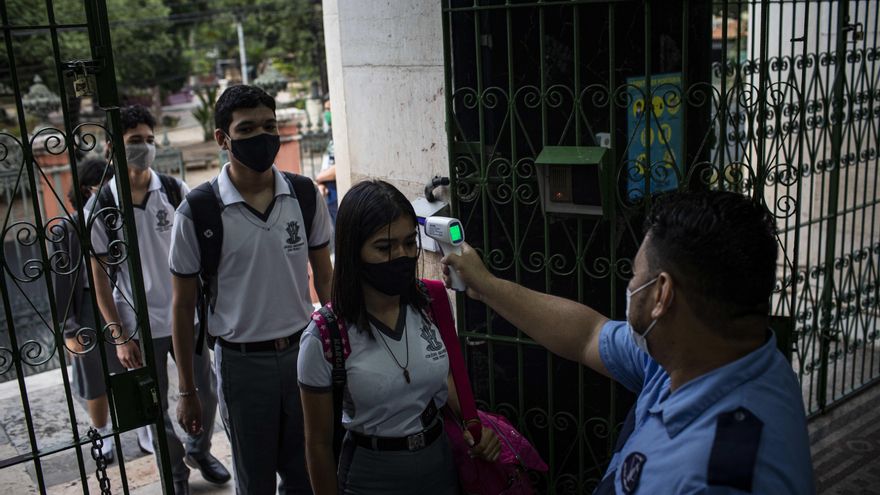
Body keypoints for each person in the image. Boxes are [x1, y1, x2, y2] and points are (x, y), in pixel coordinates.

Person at [442, 191, 815, 494]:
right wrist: (487, 286)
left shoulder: (717, 475)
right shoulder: (703, 352)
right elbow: (586, 334)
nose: (631, 286)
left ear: (661, 294)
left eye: (635, 274)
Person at [170, 84, 334, 495]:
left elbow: (325, 276)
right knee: (254, 479)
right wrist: (188, 390)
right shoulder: (197, 211)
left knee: (308, 473)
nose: (262, 137)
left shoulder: (304, 195)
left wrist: (341, 347)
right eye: (247, 129)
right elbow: (182, 306)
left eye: (269, 126)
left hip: (304, 352)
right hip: (242, 365)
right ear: (222, 139)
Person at [297, 180, 500, 495]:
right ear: (353, 251)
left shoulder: (431, 302)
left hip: (439, 462)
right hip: (371, 475)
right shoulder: (325, 335)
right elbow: (318, 445)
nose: (402, 256)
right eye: (384, 247)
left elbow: (446, 377)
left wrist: (473, 426)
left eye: (409, 243)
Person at [89, 105, 229, 495]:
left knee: (207, 391)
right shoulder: (100, 207)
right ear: (112, 147)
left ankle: (200, 451)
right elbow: (99, 278)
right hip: (139, 324)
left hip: (189, 318)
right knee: (156, 409)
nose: (145, 148)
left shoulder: (173, 190)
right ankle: (176, 474)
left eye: (149, 140)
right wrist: (118, 334)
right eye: (136, 141)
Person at [53, 157, 124, 462]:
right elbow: (61, 282)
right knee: (94, 376)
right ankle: (104, 435)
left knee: (131, 368)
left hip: (123, 299)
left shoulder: (119, 218)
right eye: (104, 184)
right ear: (87, 190)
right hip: (87, 308)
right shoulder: (68, 229)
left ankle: (145, 431)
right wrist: (69, 328)